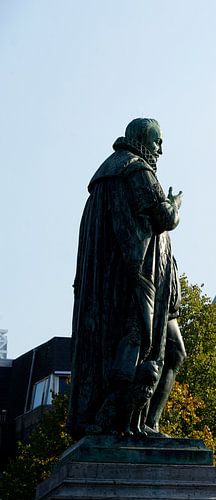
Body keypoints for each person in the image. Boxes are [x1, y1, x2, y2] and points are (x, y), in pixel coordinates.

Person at [67, 118, 185, 438]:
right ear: (143, 140)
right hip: (139, 286)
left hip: (129, 286)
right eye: (158, 141)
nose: (162, 149)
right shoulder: (136, 170)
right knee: (144, 358)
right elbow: (164, 217)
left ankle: (148, 422)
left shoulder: (109, 175)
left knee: (170, 353)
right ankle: (132, 423)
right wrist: (175, 204)